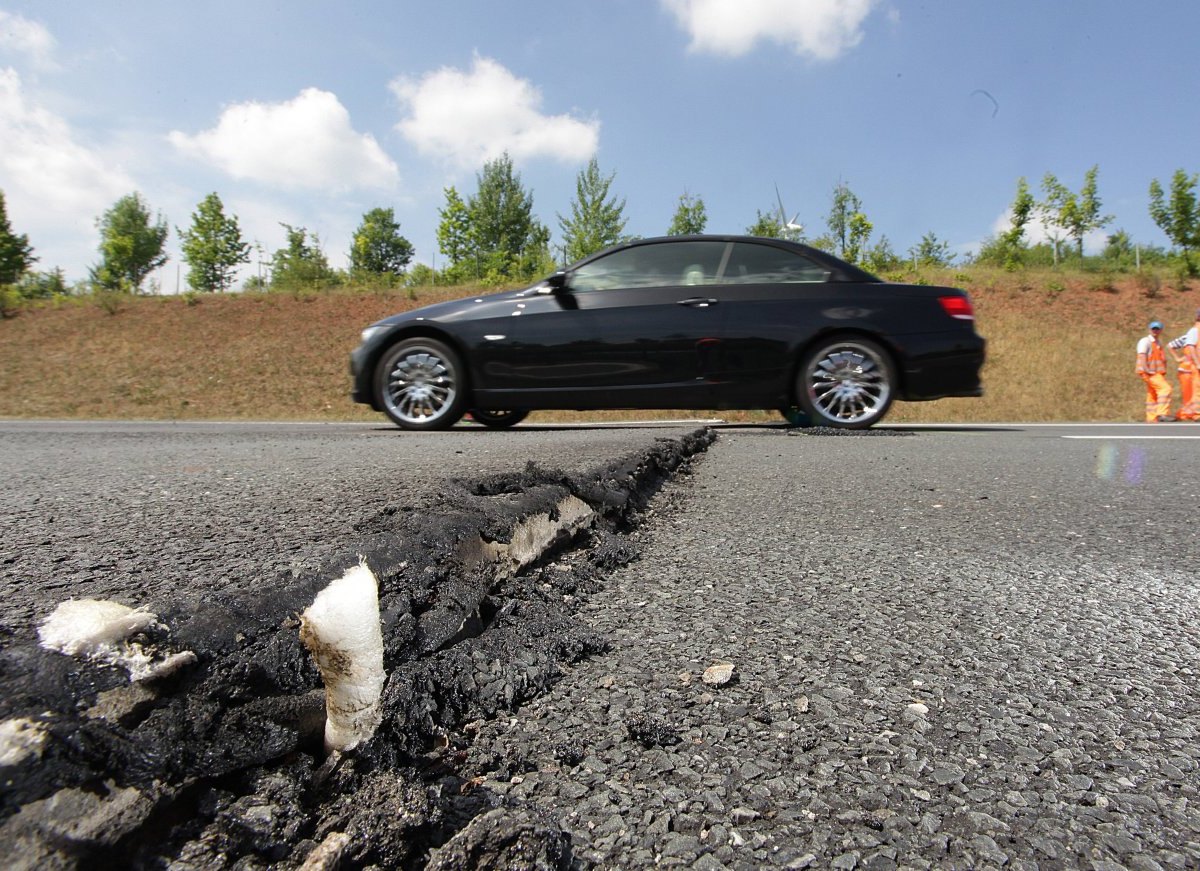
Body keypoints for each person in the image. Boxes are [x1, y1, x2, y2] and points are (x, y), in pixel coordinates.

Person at [1136, 320, 1174, 422]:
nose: (1155, 331)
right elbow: (1142, 355)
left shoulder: (1158, 343)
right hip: (1150, 372)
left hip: (1156, 373)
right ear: (1149, 329)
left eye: (1157, 329)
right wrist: (1146, 369)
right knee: (1165, 389)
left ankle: (1151, 418)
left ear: (1161, 330)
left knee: (1152, 394)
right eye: (1153, 329)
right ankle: (1162, 414)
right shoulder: (1145, 341)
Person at [1169, 310, 1200, 421]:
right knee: (1190, 394)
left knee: (1194, 393)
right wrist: (1178, 358)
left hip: (1193, 369)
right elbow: (1172, 345)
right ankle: (1187, 414)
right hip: (1186, 370)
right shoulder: (1193, 332)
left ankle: (1187, 414)